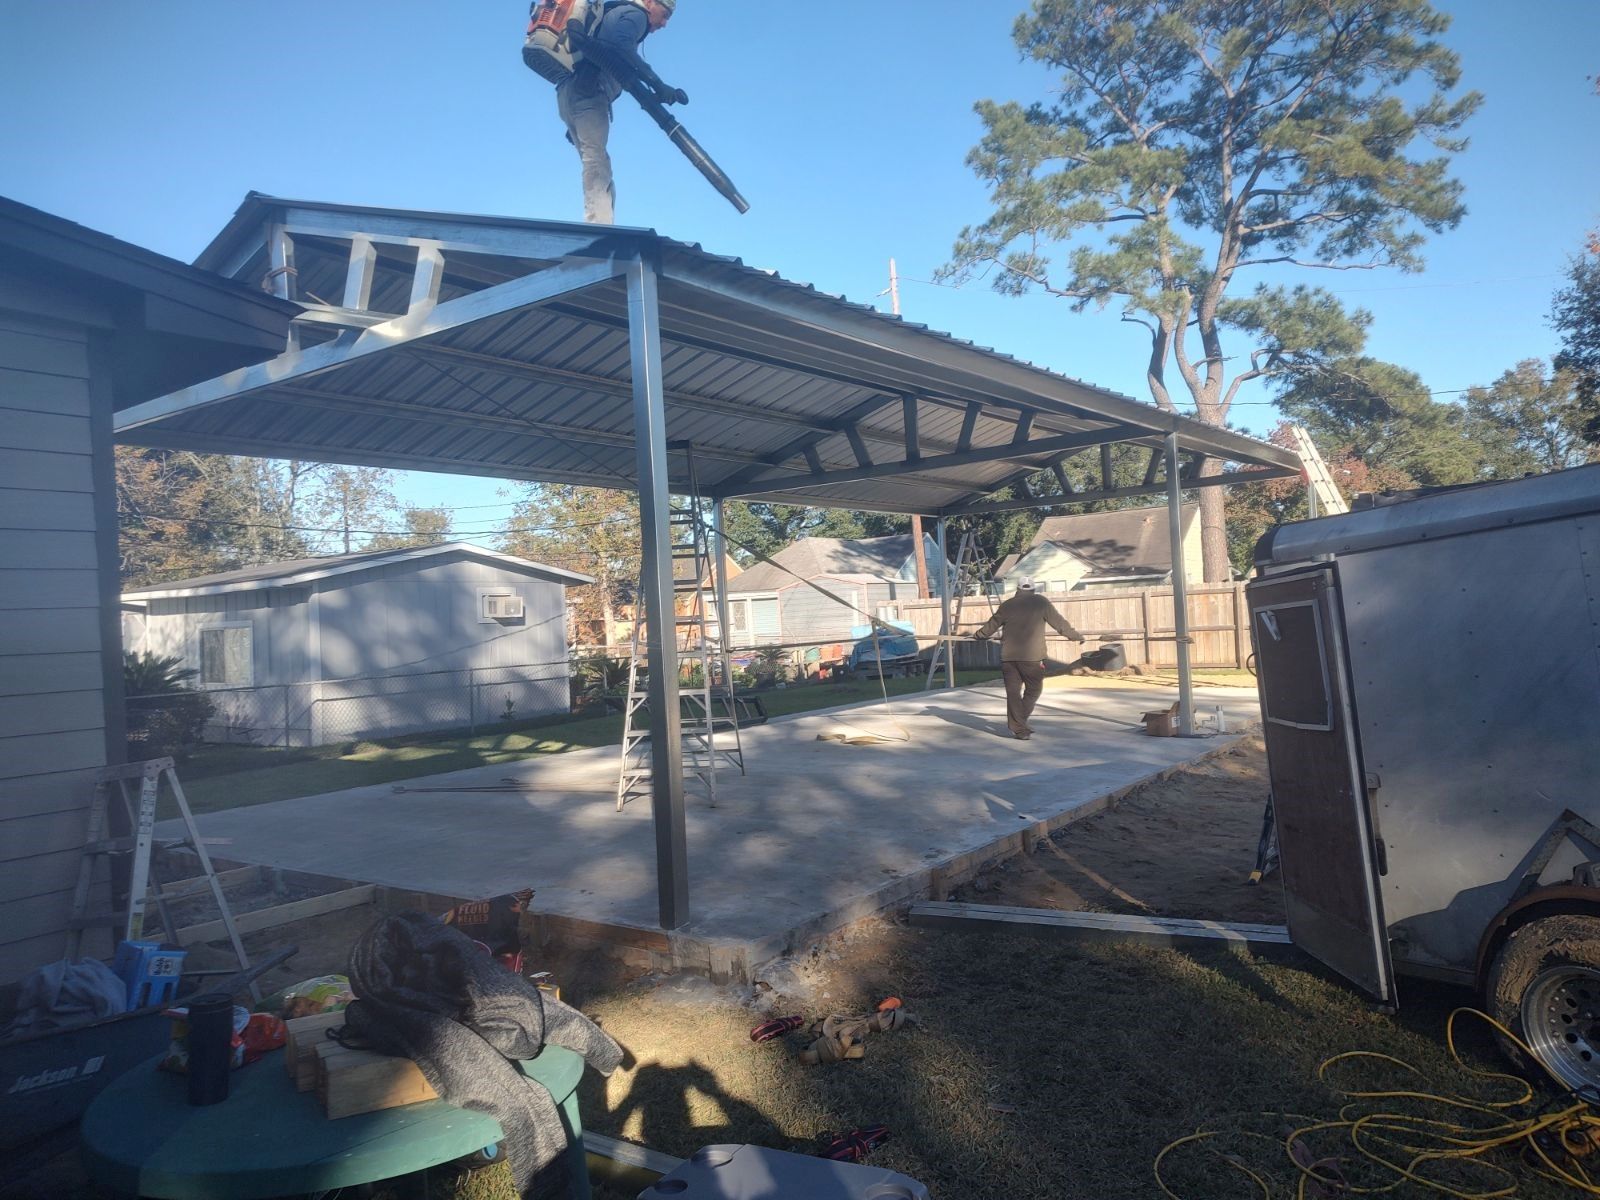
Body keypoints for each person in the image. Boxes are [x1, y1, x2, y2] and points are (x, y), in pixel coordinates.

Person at [556, 0, 685, 224]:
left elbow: (611, 51)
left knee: (593, 160)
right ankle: (601, 229)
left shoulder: (613, 14)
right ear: (649, 3)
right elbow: (621, 45)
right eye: (664, 15)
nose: (664, 24)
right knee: (598, 164)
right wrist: (657, 84)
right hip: (590, 94)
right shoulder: (637, 15)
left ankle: (600, 224)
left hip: (570, 94)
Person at [973, 578, 1085, 740]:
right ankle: (1020, 724)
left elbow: (990, 627)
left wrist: (978, 635)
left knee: (1013, 693)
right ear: (1033, 590)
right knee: (1033, 690)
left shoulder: (1007, 605)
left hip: (1009, 658)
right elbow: (1059, 623)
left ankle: (1019, 726)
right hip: (1032, 658)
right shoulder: (1041, 603)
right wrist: (1075, 636)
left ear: (1017, 589)